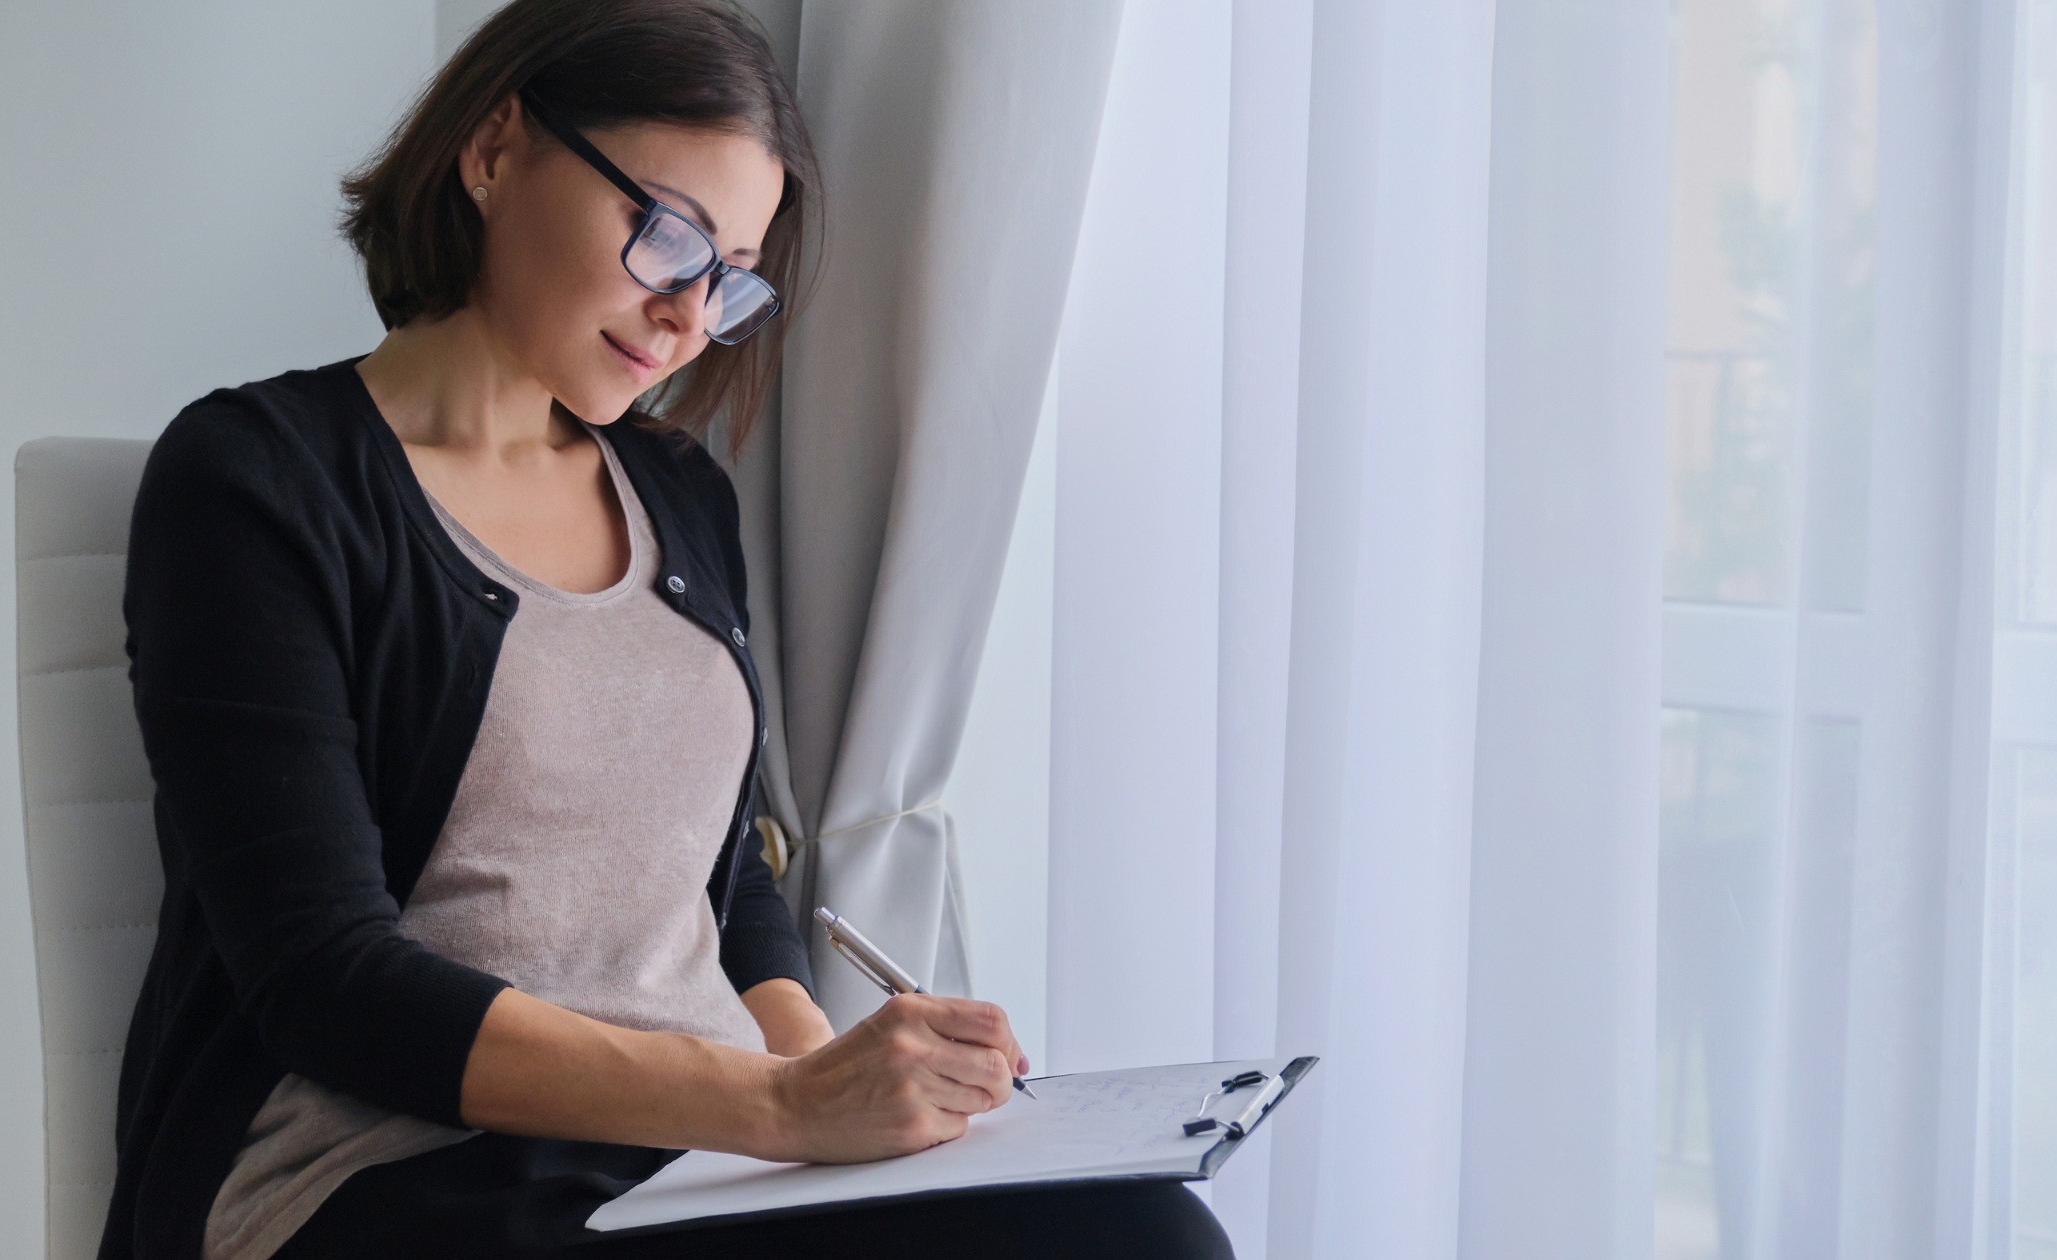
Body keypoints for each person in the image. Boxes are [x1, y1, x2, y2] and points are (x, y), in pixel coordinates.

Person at [107, 2, 1233, 1258]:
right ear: (493, 150)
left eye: (728, 276)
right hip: (399, 1177)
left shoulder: (677, 492)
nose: (688, 317)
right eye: (666, 234)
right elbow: (322, 980)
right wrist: (782, 1105)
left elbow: (722, 876)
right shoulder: (254, 482)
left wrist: (844, 1095)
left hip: (693, 1154)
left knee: (1147, 1230)